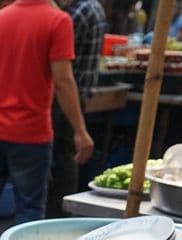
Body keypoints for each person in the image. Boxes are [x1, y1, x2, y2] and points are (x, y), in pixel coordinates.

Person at [0, 0, 93, 240]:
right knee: (29, 210)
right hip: (30, 133)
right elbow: (63, 80)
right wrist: (80, 130)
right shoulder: (58, 21)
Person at [47, 0, 107, 219]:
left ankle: (56, 214)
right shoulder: (93, 7)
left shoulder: (77, 13)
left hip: (66, 98)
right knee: (64, 156)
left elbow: (60, 68)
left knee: (61, 159)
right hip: (76, 95)